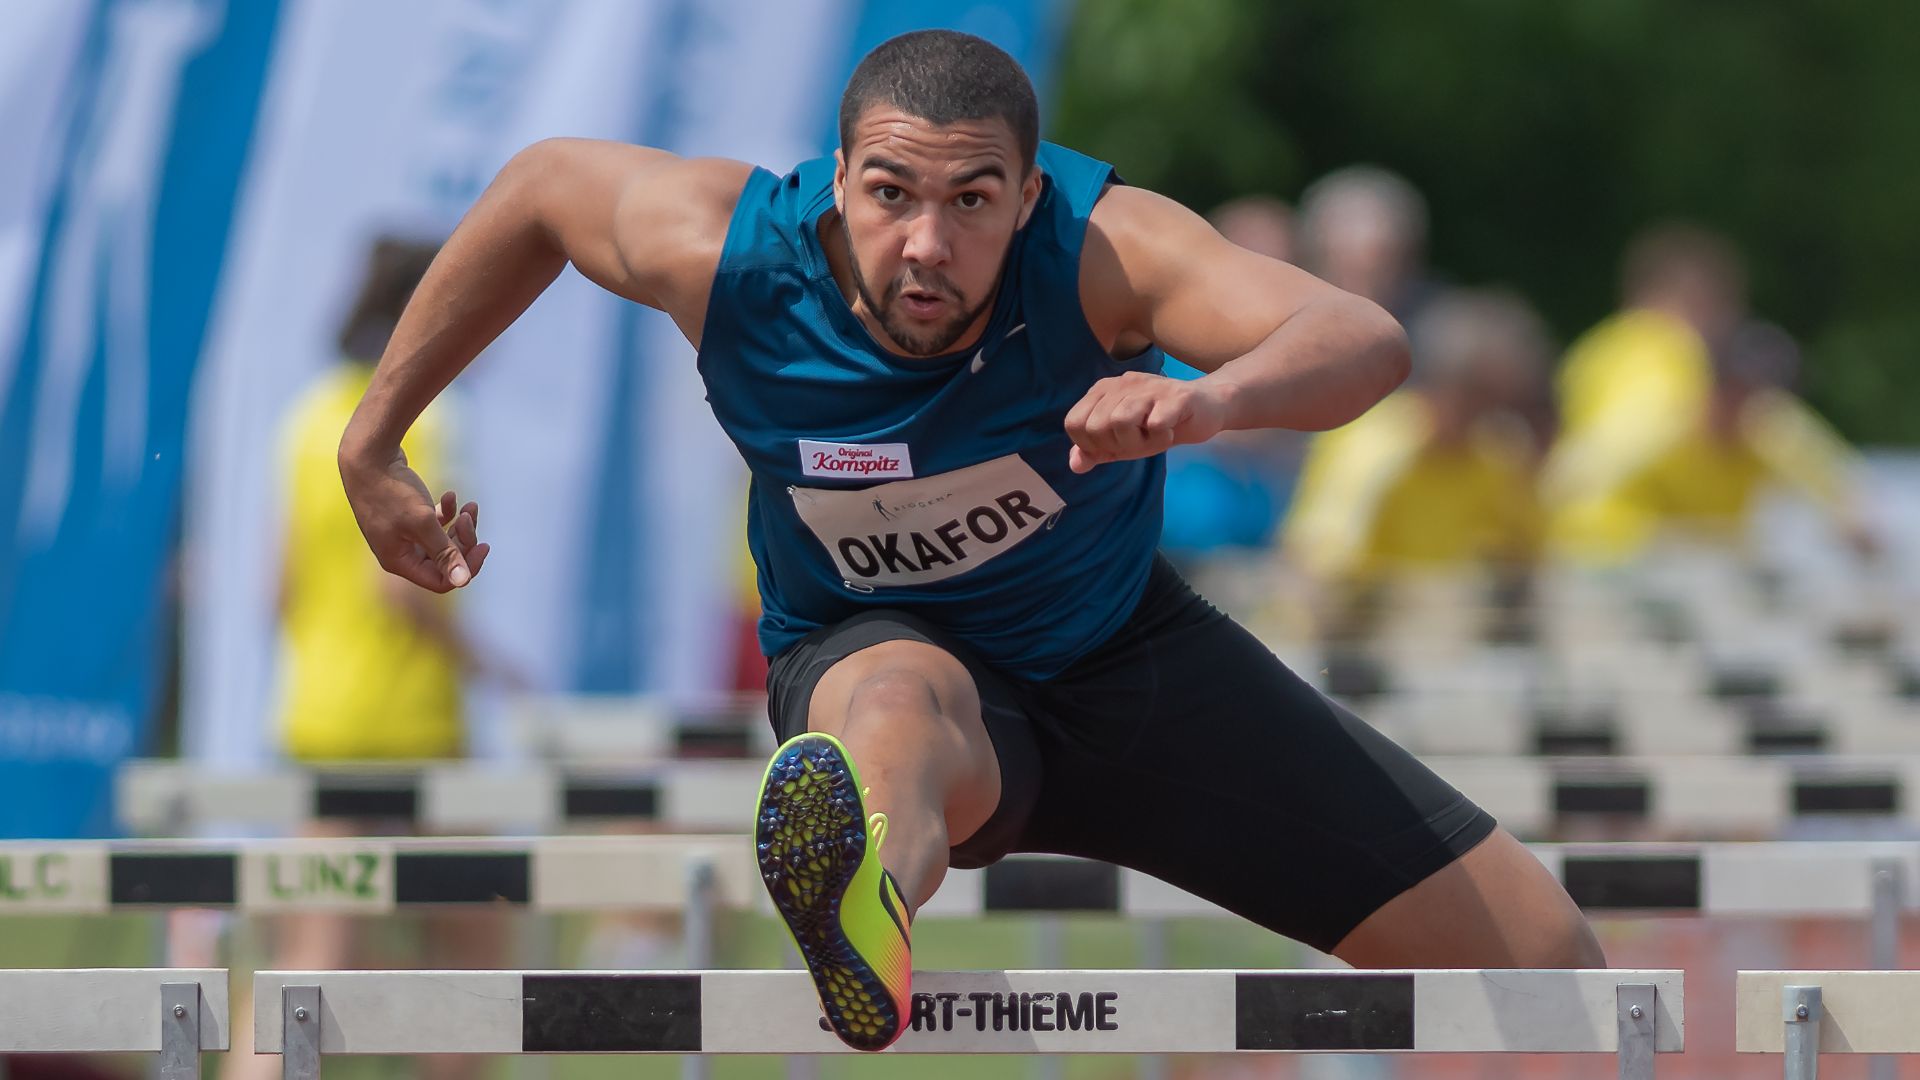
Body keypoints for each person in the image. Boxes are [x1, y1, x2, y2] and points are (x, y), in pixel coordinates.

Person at [335, 30, 1603, 1053]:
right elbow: (544, 187)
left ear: (1030, 199)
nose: (927, 246)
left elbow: (1363, 337)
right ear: (836, 185)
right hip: (877, 651)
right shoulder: (730, 256)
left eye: (972, 202)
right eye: (890, 197)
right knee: (900, 695)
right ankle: (862, 896)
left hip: (1125, 659)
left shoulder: (1106, 255)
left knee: (1550, 970)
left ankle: (867, 871)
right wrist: (373, 439)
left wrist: (1207, 401)